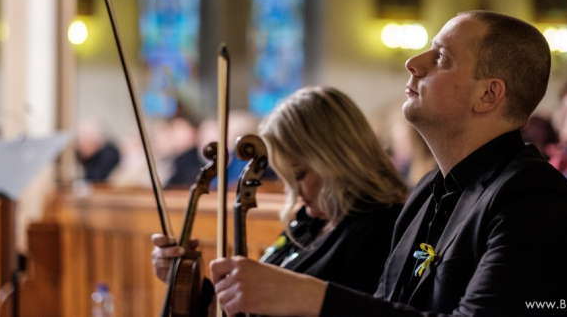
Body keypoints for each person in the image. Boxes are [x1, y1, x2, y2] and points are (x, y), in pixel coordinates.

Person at [210, 11, 567, 316]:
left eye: (441, 57)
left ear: (488, 94)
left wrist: (316, 298)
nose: (413, 62)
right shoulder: (428, 190)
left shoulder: (532, 199)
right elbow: (389, 302)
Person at [152, 86, 409, 296]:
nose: (294, 193)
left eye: (299, 174)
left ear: (337, 160)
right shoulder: (309, 221)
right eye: (286, 177)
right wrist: (189, 284)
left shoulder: (381, 226)